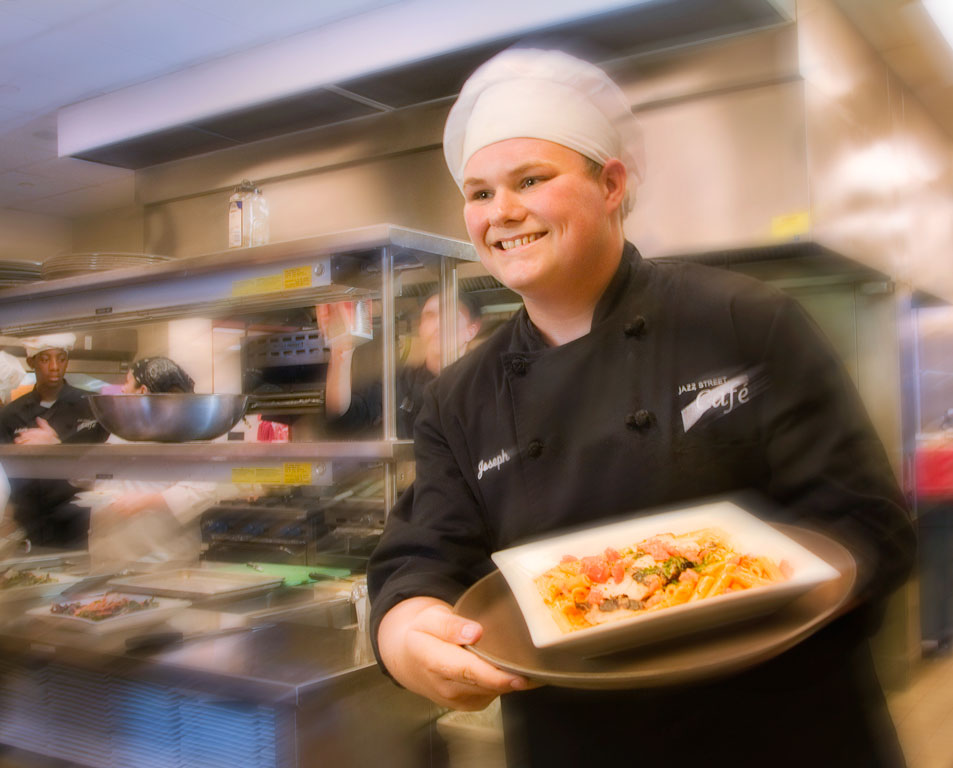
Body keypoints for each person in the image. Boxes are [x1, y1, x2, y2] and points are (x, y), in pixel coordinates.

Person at [368, 49, 916, 767]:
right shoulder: (458, 397)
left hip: (781, 732)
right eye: (479, 193)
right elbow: (422, 558)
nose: (501, 212)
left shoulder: (744, 321)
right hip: (583, 744)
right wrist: (406, 635)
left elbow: (869, 524)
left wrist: (747, 590)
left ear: (611, 184)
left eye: (530, 180)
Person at [85, 357, 247, 570]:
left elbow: (203, 490)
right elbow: (93, 474)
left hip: (161, 562)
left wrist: (145, 501)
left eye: (126, 382)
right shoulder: (122, 431)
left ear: (142, 392)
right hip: (109, 557)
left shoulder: (192, 433)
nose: (122, 389)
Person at [319, 292, 482, 438]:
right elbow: (343, 420)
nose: (439, 323)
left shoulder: (484, 382)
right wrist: (341, 351)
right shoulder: (399, 381)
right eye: (430, 316)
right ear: (421, 328)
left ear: (472, 330)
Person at [0, 333, 109, 547]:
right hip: (28, 524)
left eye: (61, 359)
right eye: (45, 359)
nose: (54, 367)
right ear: (31, 362)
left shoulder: (92, 406)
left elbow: (106, 466)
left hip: (77, 523)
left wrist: (58, 448)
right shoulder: (10, 414)